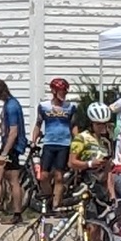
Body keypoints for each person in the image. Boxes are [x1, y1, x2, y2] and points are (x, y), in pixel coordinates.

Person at [0, 78, 27, 221]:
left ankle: (17, 213)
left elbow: (14, 132)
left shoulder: (11, 106)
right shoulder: (9, 104)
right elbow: (9, 125)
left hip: (12, 147)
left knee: (13, 180)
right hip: (7, 145)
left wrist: (4, 154)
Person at [35, 77, 75, 208]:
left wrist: (77, 143)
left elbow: (73, 126)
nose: (63, 93)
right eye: (61, 91)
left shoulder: (71, 107)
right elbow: (38, 124)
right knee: (43, 176)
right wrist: (33, 141)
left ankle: (56, 205)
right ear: (53, 91)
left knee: (59, 176)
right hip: (49, 143)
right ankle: (49, 199)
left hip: (64, 144)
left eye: (65, 91)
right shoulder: (43, 106)